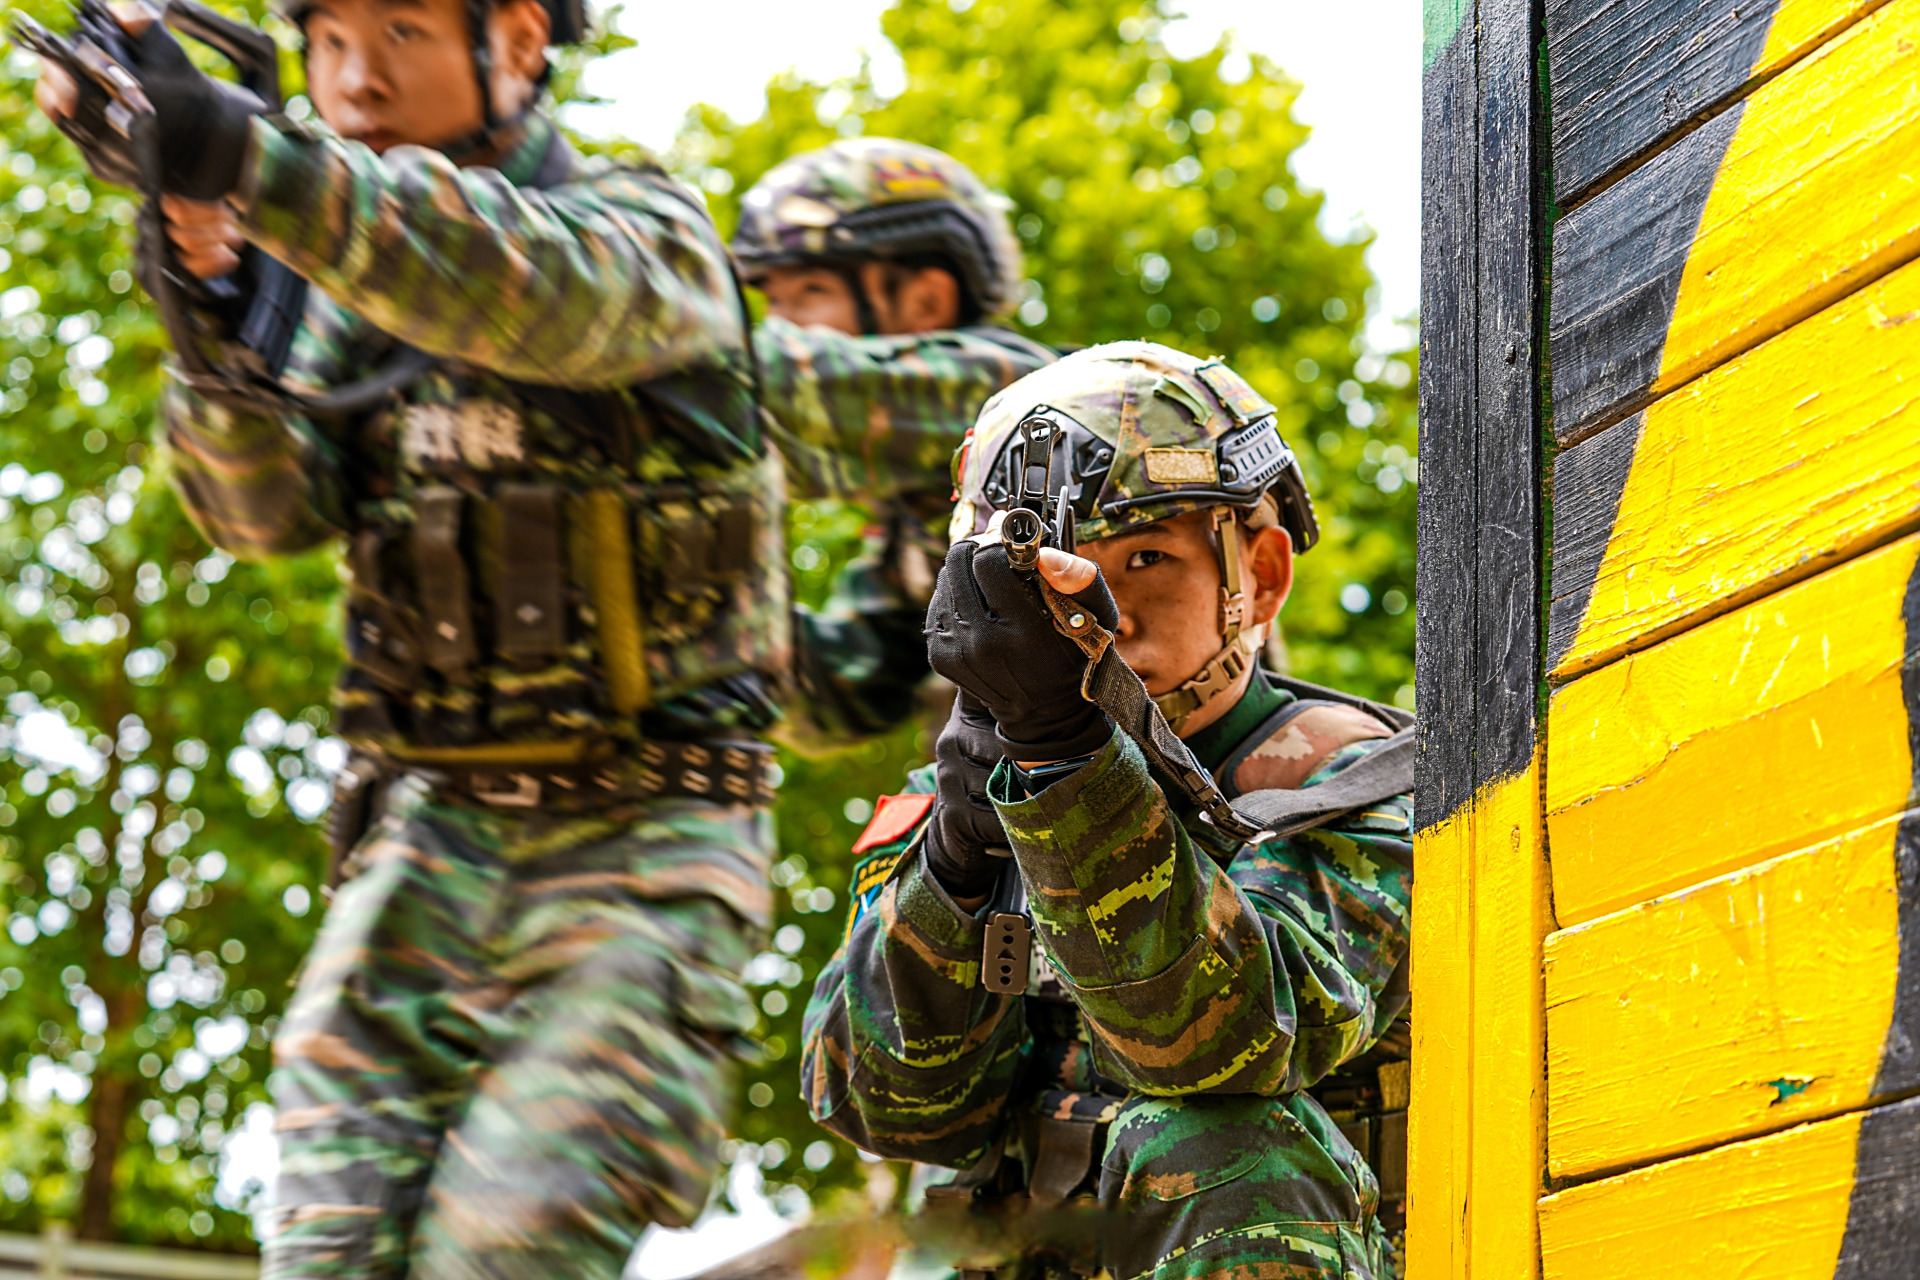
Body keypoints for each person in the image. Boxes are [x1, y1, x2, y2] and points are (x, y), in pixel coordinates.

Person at [24, 6, 1024, 1279]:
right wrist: (213, 297)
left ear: (518, 39)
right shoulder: (339, 283)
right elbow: (259, 510)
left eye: (400, 27)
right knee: (323, 1254)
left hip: (640, 855)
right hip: (418, 848)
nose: (355, 77)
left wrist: (249, 160)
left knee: (500, 1252)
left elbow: (527, 292)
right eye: (326, 39)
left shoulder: (645, 235)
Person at [800, 343, 1414, 1280]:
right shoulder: (957, 799)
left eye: (1147, 557)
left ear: (1262, 573)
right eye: (1057, 578)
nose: (1101, 611)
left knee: (1220, 1147)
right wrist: (958, 865)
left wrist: (1062, 758)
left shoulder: (1353, 780)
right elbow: (890, 1109)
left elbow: (1223, 1042)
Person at [732, 137, 1056, 744]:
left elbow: (771, 392)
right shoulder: (927, 507)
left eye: (809, 294)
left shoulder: (1011, 396)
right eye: (771, 302)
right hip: (1040, 818)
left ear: (926, 300)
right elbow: (842, 695)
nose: (781, 325)